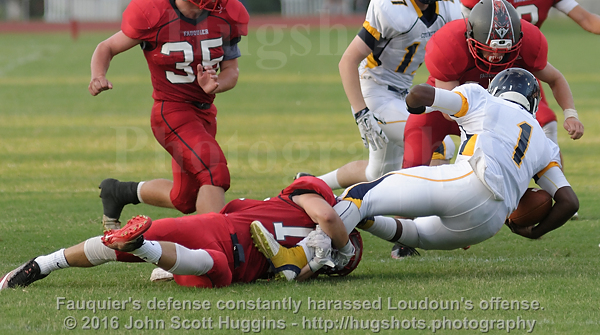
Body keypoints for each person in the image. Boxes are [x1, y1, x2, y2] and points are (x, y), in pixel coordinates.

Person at [252, 69, 579, 280]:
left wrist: (412, 106)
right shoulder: (544, 143)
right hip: (489, 223)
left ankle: (314, 252)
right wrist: (536, 233)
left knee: (362, 194)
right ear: (534, 104)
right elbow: (568, 201)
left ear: (496, 90)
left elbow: (421, 94)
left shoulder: (482, 99)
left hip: (467, 184)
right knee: (415, 234)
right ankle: (359, 224)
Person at [88, 0, 249, 230]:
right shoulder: (154, 16)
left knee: (186, 198)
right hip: (170, 113)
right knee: (214, 171)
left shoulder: (226, 15)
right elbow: (107, 47)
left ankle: (119, 192)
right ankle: (210, 250)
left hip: (204, 115)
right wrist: (98, 74)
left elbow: (232, 71)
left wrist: (216, 85)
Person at [1, 177, 361, 290]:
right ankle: (148, 250)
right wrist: (333, 252)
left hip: (213, 229)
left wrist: (326, 252)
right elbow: (326, 219)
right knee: (210, 266)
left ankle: (43, 264)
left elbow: (327, 216)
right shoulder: (315, 250)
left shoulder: (302, 212)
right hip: (225, 261)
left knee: (119, 248)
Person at [315, 0, 462, 191]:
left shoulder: (449, 6)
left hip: (405, 93)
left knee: (376, 173)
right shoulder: (390, 6)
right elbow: (348, 61)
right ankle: (419, 215)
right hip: (375, 91)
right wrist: (362, 113)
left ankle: (309, 184)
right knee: (438, 144)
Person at [460, 0, 600, 151]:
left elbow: (587, 20)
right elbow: (462, 31)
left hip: (523, 63)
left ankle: (555, 186)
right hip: (484, 65)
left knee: (546, 124)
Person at [402, 0, 584, 171]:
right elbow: (450, 114)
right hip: (446, 110)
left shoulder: (528, 42)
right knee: (411, 168)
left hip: (496, 112)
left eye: (505, 51)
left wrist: (571, 114)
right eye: (488, 50)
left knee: (510, 165)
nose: (496, 56)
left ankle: (552, 187)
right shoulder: (449, 43)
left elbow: (555, 78)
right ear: (470, 37)